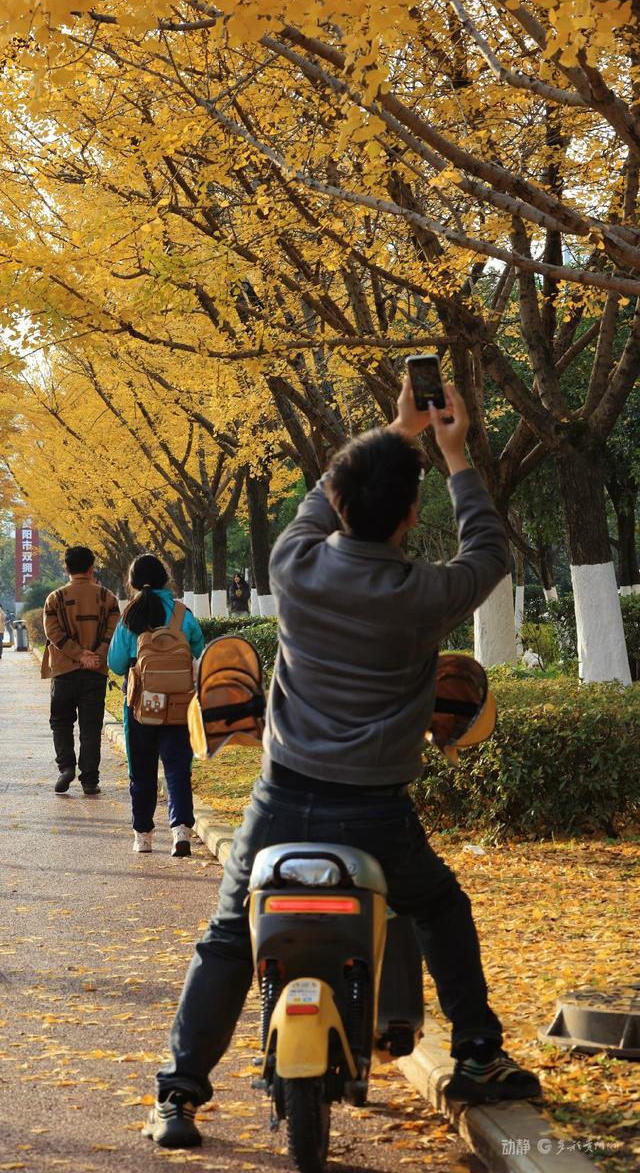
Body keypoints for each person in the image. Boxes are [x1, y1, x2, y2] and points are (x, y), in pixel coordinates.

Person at [143, 378, 541, 1150]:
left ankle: (178, 1097)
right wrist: (453, 455)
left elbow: (323, 495)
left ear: (341, 501)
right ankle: (480, 1054)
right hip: (378, 814)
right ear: (409, 518)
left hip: (281, 801)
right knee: (440, 908)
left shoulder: (294, 567)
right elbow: (489, 551)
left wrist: (394, 432)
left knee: (230, 936)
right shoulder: (425, 592)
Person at [108, 554, 205, 857]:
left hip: (139, 705)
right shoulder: (182, 614)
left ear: (133, 582)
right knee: (177, 767)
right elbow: (199, 651)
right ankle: (181, 831)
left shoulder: (130, 617)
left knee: (142, 769)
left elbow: (116, 663)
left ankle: (143, 836)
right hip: (179, 703)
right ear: (166, 579)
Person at [43, 547, 120, 795]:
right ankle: (89, 779)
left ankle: (66, 767)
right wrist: (94, 655)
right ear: (91, 568)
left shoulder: (55, 598)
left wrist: (77, 654)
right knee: (90, 725)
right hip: (95, 671)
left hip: (64, 671)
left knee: (61, 721)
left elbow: (53, 633)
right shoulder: (108, 598)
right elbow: (113, 630)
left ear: (66, 568)